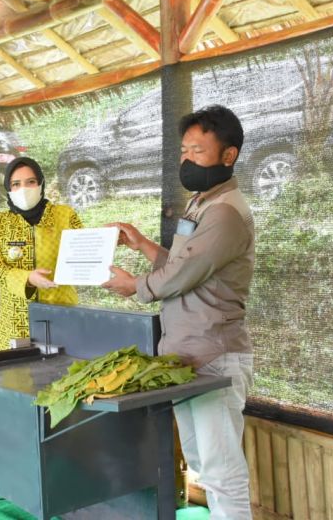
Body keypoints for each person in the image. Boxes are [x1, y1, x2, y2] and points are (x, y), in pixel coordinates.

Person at [102, 105, 255, 519]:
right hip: (186, 357)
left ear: (229, 155)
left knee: (222, 471)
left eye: (198, 150)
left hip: (213, 358)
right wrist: (145, 246)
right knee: (203, 464)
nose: (187, 159)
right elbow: (183, 264)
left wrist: (135, 286)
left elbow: (182, 275)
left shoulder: (225, 213)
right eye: (184, 150)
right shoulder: (202, 203)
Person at [0, 157, 82, 351]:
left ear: (40, 184)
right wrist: (27, 277)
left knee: (63, 373)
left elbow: (85, 248)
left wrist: (110, 239)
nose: (24, 189)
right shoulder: (0, 222)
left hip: (60, 314)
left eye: (31, 182)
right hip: (16, 322)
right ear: (8, 189)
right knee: (16, 377)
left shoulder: (65, 215)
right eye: (16, 184)